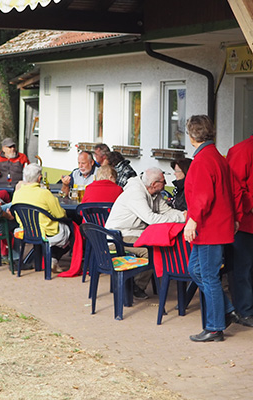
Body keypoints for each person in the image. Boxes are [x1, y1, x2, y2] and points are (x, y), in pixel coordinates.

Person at [183, 115, 243, 343]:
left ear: (191, 136)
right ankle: (227, 310)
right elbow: (231, 190)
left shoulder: (202, 160)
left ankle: (216, 327)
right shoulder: (217, 157)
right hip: (217, 225)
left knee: (207, 275)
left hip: (209, 228)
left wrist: (193, 221)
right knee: (197, 270)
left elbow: (203, 196)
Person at [104, 167, 186, 298]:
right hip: (118, 236)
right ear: (154, 184)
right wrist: (181, 218)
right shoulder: (136, 193)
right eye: (163, 182)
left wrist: (184, 215)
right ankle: (135, 287)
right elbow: (151, 219)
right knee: (152, 252)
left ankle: (136, 284)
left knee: (159, 248)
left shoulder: (155, 193)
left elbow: (165, 211)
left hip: (134, 233)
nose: (166, 184)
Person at [226, 130, 253, 328]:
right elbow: (232, 185)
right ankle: (243, 311)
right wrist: (251, 203)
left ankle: (247, 308)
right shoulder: (243, 151)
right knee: (243, 268)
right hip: (243, 221)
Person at [13, 163, 71, 273]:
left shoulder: (17, 193)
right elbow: (60, 215)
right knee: (70, 230)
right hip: (47, 232)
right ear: (40, 178)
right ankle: (53, 257)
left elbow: (16, 216)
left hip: (26, 231)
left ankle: (49, 259)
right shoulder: (45, 193)